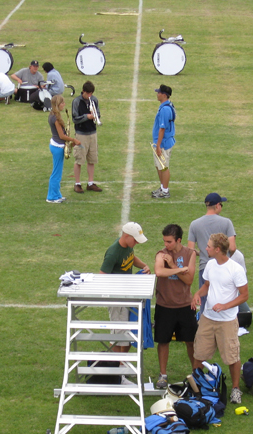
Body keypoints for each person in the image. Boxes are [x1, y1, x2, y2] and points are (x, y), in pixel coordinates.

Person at [191, 233, 247, 404]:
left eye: (208, 246)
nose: (205, 248)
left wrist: (225, 305)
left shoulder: (235, 269)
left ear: (217, 249)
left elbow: (244, 295)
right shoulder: (210, 265)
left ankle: (236, 389)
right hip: (208, 317)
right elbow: (207, 286)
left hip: (227, 320)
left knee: (232, 357)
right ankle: (196, 387)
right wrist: (197, 294)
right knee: (199, 354)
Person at [153, 224, 196, 388]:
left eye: (169, 242)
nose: (166, 245)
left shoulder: (190, 254)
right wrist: (180, 270)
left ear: (179, 240)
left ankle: (196, 373)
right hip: (164, 305)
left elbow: (189, 280)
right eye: (164, 241)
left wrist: (172, 266)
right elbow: (159, 272)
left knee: (191, 341)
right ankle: (163, 374)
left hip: (185, 305)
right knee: (163, 341)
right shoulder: (161, 254)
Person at [100, 222, 150, 353]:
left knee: (129, 331)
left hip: (127, 295)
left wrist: (144, 266)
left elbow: (131, 258)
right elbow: (102, 277)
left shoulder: (127, 246)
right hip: (117, 299)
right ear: (127, 236)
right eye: (135, 240)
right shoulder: (112, 253)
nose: (137, 243)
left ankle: (122, 363)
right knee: (118, 333)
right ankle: (116, 366)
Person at [187, 192, 237, 313]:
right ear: (218, 205)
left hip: (205, 268)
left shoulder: (194, 224)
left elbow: (190, 250)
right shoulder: (226, 222)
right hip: (224, 267)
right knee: (226, 300)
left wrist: (202, 253)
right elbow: (233, 247)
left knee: (205, 302)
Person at [46, 95, 81, 204]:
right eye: (62, 103)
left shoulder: (53, 115)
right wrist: (73, 140)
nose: (64, 104)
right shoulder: (55, 118)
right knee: (56, 173)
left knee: (58, 173)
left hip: (55, 145)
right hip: (57, 147)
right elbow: (61, 136)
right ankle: (51, 197)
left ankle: (57, 195)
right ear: (57, 104)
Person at [71, 81, 102, 193]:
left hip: (92, 133)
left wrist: (95, 116)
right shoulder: (77, 102)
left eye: (91, 94)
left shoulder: (94, 100)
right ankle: (77, 183)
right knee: (79, 159)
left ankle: (90, 183)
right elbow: (75, 118)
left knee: (92, 159)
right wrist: (87, 116)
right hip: (81, 134)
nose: (89, 96)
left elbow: (98, 114)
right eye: (87, 93)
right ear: (83, 91)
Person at [151, 84, 176, 198]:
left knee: (163, 166)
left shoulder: (165, 109)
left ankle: (165, 191)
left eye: (159, 92)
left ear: (164, 95)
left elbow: (162, 128)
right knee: (159, 165)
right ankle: (162, 188)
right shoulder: (165, 106)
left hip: (163, 143)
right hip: (162, 142)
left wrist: (158, 146)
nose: (157, 94)